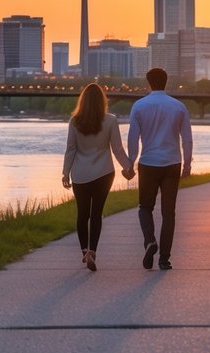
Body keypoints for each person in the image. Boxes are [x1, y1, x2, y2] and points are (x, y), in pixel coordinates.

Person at [126, 67, 192, 271]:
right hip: (172, 163)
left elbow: (133, 139)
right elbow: (187, 139)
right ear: (166, 81)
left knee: (145, 208)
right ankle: (164, 259)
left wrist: (130, 163)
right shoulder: (178, 107)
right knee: (168, 213)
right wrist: (187, 164)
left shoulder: (139, 106)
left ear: (148, 82)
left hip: (148, 163)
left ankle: (150, 241)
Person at [62, 83, 131, 272]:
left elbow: (71, 149)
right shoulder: (110, 120)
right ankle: (93, 250)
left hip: (80, 173)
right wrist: (128, 166)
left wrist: (65, 173)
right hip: (104, 172)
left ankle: (84, 250)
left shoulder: (75, 122)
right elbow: (117, 149)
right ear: (103, 101)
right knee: (96, 213)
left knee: (82, 213)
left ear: (82, 101)